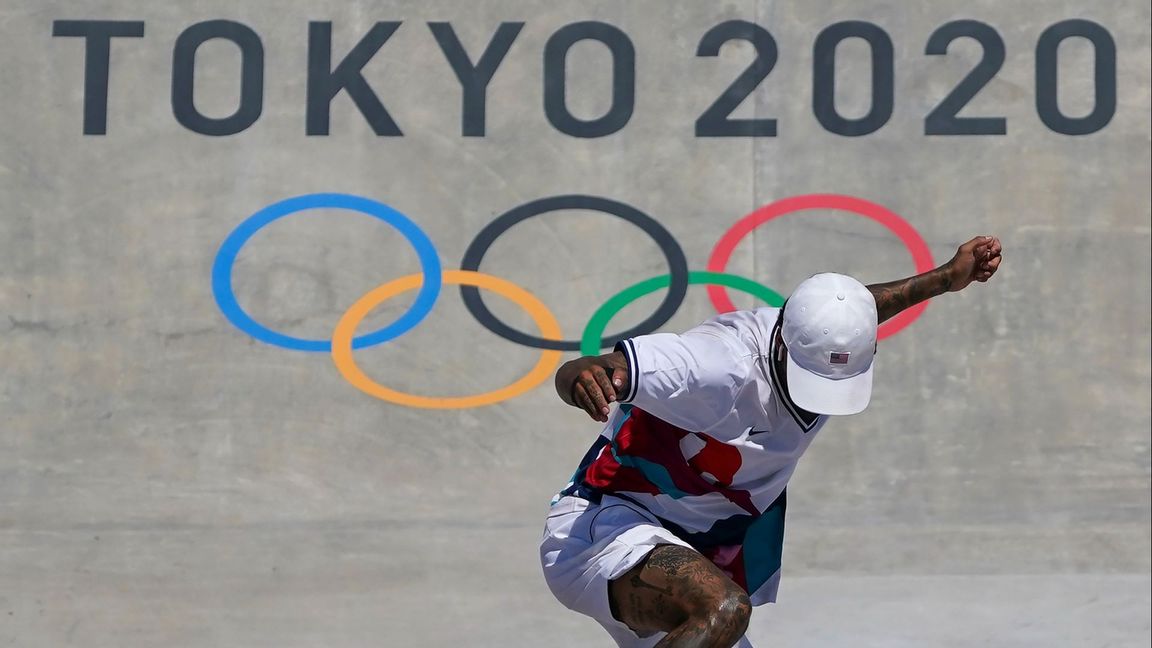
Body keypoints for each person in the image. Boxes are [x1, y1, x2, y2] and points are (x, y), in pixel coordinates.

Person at [539, 236, 1003, 648]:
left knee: (718, 621)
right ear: (782, 343)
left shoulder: (821, 330)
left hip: (680, 553)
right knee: (723, 612)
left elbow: (859, 309)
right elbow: (587, 370)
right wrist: (583, 378)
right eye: (810, 379)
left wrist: (946, 278)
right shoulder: (713, 367)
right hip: (603, 532)